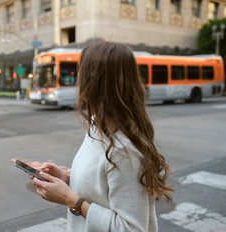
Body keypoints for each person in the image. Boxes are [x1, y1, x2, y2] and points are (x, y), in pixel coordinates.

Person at [30, 41, 174, 231]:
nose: (78, 78)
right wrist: (67, 177)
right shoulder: (97, 125)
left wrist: (70, 199)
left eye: (82, 71)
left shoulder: (123, 151)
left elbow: (131, 228)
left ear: (95, 82)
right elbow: (103, 183)